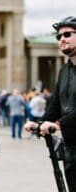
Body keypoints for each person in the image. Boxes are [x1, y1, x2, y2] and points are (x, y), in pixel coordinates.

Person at [25, 16, 76, 192]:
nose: (62, 39)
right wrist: (39, 123)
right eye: (59, 36)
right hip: (70, 147)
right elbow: (56, 103)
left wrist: (58, 124)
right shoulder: (64, 70)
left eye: (68, 34)